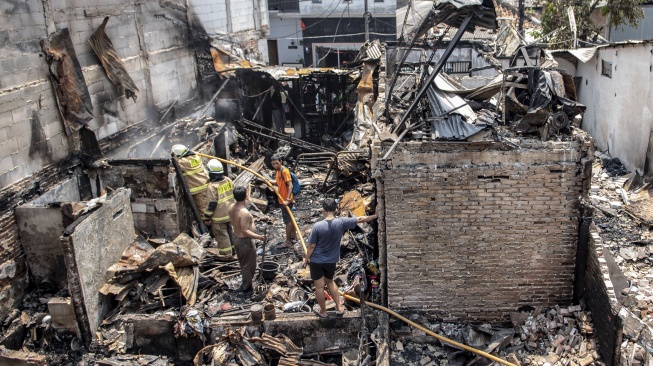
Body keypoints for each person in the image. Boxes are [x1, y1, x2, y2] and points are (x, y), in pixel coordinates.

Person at [303, 198, 378, 318]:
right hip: (331, 261)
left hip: (317, 261)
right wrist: (375, 216)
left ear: (323, 210)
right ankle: (339, 307)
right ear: (336, 209)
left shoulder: (317, 226)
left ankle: (323, 311)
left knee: (319, 287)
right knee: (330, 282)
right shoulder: (341, 222)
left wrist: (306, 259)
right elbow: (360, 219)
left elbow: (311, 246)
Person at [228, 186, 267, 294]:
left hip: (236, 237)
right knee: (248, 265)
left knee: (243, 262)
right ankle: (247, 287)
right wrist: (259, 237)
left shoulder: (231, 207)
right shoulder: (244, 213)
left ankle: (246, 283)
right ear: (246, 196)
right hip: (244, 241)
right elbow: (245, 230)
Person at [204, 159, 236, 261]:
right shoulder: (227, 180)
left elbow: (211, 204)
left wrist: (207, 217)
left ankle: (226, 255)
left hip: (219, 217)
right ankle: (233, 250)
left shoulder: (212, 187)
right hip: (230, 213)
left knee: (222, 235)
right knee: (230, 232)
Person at [171, 144, 209, 220]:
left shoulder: (183, 162)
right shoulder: (196, 157)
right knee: (208, 206)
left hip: (198, 190)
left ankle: (208, 227)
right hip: (206, 184)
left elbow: (172, 166)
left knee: (203, 212)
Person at [270, 154, 297, 248]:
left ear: (280, 162)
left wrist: (287, 199)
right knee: (290, 218)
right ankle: (294, 235)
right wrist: (267, 181)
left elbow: (290, 185)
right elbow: (278, 183)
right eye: (273, 164)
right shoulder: (278, 172)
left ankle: (288, 241)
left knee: (287, 221)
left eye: (277, 163)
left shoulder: (284, 171)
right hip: (282, 199)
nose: (275, 165)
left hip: (286, 200)